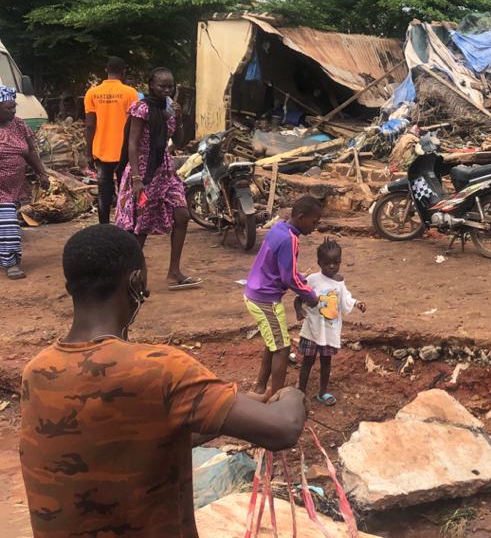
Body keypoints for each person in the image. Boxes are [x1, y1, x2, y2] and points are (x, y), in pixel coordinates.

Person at [19, 224, 307, 538]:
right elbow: (284, 429)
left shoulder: (36, 372)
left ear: (69, 287)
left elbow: (132, 436)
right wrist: (292, 395)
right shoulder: (160, 369)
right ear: (136, 282)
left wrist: (231, 411)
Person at [114, 68, 200, 290]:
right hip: (143, 170)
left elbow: (179, 142)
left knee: (182, 215)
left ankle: (174, 272)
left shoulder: (170, 109)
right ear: (151, 85)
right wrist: (135, 177)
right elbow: (132, 143)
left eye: (170, 86)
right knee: (140, 227)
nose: (167, 90)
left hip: (165, 170)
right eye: (162, 86)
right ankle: (132, 277)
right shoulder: (141, 109)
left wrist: (179, 119)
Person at [244, 195, 324, 401]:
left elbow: (285, 269)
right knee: (282, 347)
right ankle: (276, 396)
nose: (315, 227)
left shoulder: (279, 228)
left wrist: (301, 278)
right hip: (265, 298)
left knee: (273, 342)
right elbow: (288, 277)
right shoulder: (291, 239)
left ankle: (261, 387)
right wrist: (310, 295)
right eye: (313, 222)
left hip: (257, 291)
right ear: (301, 217)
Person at [294, 239, 366, 406]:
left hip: (329, 330)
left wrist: (357, 303)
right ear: (319, 263)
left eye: (335, 263)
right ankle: (301, 392)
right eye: (327, 263)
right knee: (308, 360)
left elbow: (345, 298)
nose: (332, 267)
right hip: (313, 329)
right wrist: (299, 310)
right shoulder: (312, 280)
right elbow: (299, 298)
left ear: (340, 262)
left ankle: (323, 392)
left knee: (326, 361)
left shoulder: (339, 282)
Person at [0, 86, 50, 279]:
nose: (13, 111)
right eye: (8, 108)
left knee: (5, 222)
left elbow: (30, 151)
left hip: (15, 186)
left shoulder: (19, 125)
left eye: (14, 107)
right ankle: (11, 263)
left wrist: (42, 173)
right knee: (9, 223)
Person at [84, 57, 138, 224]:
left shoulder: (92, 93)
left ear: (106, 70)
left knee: (104, 192)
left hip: (101, 151)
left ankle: (104, 227)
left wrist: (88, 152)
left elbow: (90, 126)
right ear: (124, 71)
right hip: (125, 152)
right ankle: (126, 225)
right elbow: (135, 124)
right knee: (126, 192)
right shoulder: (131, 93)